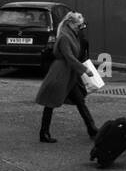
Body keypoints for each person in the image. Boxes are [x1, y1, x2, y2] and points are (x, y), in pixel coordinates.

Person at [34, 11, 98, 144]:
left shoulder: (72, 34)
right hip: (60, 74)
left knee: (80, 101)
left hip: (69, 75)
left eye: (82, 25)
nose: (81, 27)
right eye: (79, 25)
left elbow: (75, 56)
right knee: (50, 103)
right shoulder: (64, 37)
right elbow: (69, 57)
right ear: (71, 23)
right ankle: (44, 133)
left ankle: (92, 130)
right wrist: (85, 70)